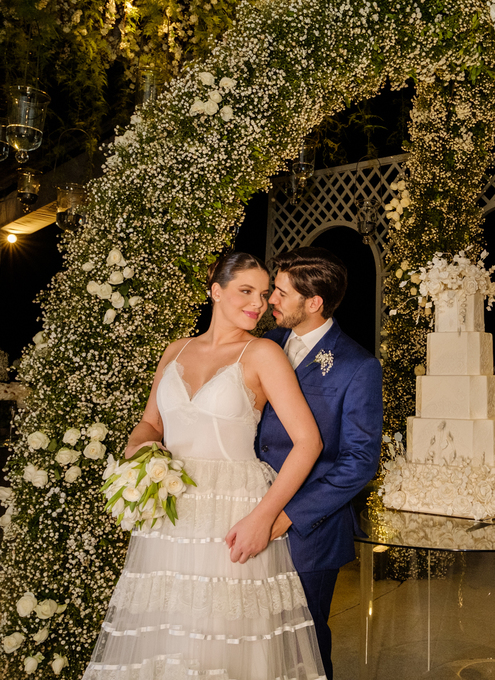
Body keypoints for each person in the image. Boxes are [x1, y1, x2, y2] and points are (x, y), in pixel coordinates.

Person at [84, 252, 326, 680]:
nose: (258, 303)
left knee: (223, 634)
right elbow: (150, 423)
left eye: (263, 294)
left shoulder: (263, 353)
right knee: (166, 631)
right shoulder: (176, 350)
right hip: (170, 510)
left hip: (232, 511)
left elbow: (309, 443)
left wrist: (264, 518)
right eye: (246, 291)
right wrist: (138, 453)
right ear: (216, 291)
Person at [256, 247, 384, 679]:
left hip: (308, 532)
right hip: (248, 510)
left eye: (281, 292)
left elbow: (359, 461)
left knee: (303, 644)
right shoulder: (264, 345)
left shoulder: (357, 366)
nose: (270, 299)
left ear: (314, 303)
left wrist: (289, 514)